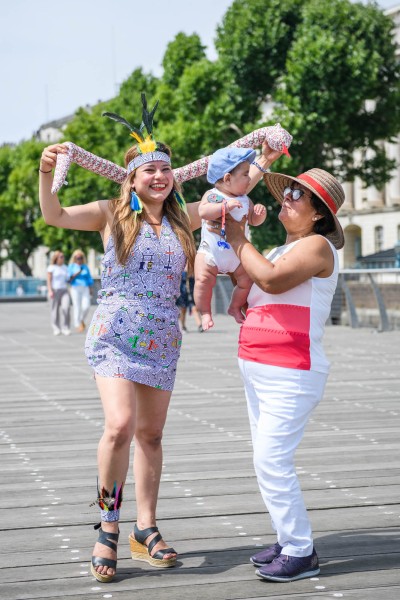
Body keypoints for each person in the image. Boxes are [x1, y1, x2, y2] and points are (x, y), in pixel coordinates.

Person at [39, 95, 276, 584]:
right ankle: (107, 524)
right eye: (148, 171)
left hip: (163, 337)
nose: (159, 177)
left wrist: (266, 159)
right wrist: (47, 174)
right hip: (114, 332)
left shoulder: (183, 218)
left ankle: (145, 528)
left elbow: (235, 188)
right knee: (119, 426)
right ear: (131, 179)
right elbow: (55, 216)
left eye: (165, 170)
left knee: (151, 435)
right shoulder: (110, 213)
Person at [223, 166, 345, 583]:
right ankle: (285, 535)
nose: (286, 198)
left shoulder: (319, 247)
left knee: (271, 460)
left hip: (291, 372)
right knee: (265, 461)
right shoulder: (278, 249)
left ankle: (300, 549)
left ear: (318, 214)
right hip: (258, 368)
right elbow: (258, 281)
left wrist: (239, 240)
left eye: (297, 195)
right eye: (287, 191)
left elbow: (272, 282)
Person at [194, 147, 267, 331]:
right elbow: (203, 212)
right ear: (227, 178)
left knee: (246, 282)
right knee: (203, 281)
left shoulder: (245, 199)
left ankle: (234, 307)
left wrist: (259, 215)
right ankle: (205, 312)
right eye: (245, 175)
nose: (249, 179)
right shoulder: (213, 195)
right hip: (211, 251)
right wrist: (223, 207)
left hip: (236, 256)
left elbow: (253, 221)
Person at [68, 249, 94, 332]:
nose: (79, 259)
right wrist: (77, 273)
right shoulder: (71, 266)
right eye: (77, 258)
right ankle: (77, 324)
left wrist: (90, 288)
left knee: (86, 306)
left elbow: (89, 278)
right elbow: (68, 278)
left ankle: (81, 320)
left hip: (85, 287)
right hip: (75, 287)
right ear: (74, 258)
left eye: (81, 258)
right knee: (77, 306)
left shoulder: (85, 266)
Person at [46, 250, 71, 335]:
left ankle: (66, 327)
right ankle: (56, 328)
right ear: (56, 258)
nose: (63, 258)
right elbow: (49, 280)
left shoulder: (65, 267)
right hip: (54, 290)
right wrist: (50, 290)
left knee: (66, 308)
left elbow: (68, 279)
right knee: (55, 310)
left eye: (63, 257)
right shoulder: (51, 267)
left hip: (64, 290)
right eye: (61, 257)